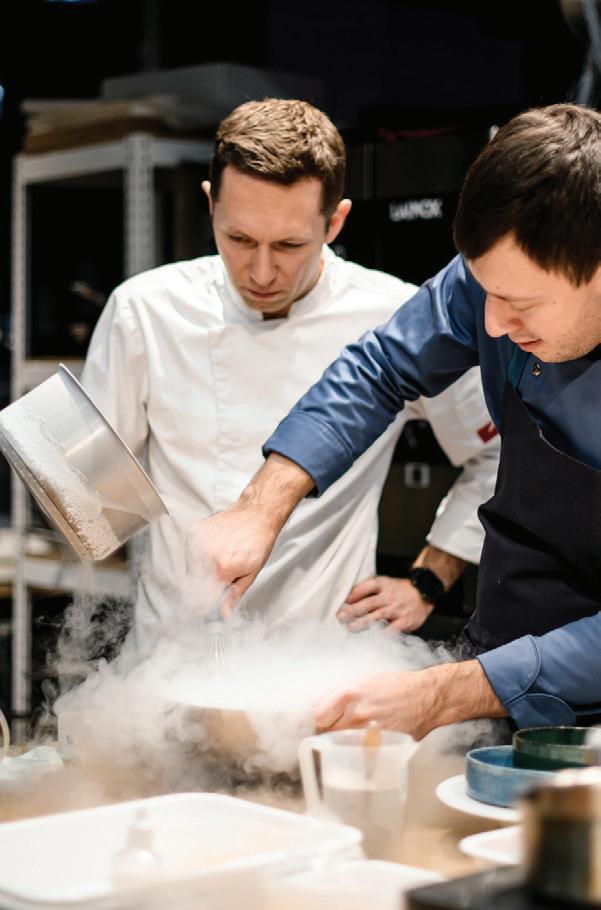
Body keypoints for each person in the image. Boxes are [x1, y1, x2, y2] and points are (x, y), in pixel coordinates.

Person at [194, 102, 601, 739]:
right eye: (483, 291)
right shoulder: (497, 278)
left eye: (519, 303)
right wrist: (262, 505)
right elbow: (381, 367)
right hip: (501, 669)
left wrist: (447, 692)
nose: (491, 325)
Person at [81, 98, 499, 643]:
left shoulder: (392, 317)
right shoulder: (144, 310)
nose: (261, 272)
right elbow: (95, 502)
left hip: (321, 656)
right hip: (171, 653)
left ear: (335, 221)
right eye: (238, 239)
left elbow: (495, 454)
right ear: (210, 205)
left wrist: (427, 579)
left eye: (288, 245)